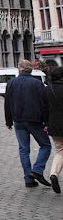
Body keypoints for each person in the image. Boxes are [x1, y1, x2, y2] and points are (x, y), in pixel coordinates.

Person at [4, 60, 51, 188]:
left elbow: (7, 103)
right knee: (45, 145)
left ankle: (28, 179)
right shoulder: (37, 83)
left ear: (19, 70)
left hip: (18, 120)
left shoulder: (11, 83)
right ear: (31, 70)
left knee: (24, 149)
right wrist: (46, 121)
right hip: (35, 120)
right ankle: (37, 169)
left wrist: (8, 121)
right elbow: (44, 104)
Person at [44, 66, 63, 194]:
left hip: (54, 125)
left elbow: (44, 109)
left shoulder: (47, 90)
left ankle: (54, 174)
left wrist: (46, 123)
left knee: (60, 150)